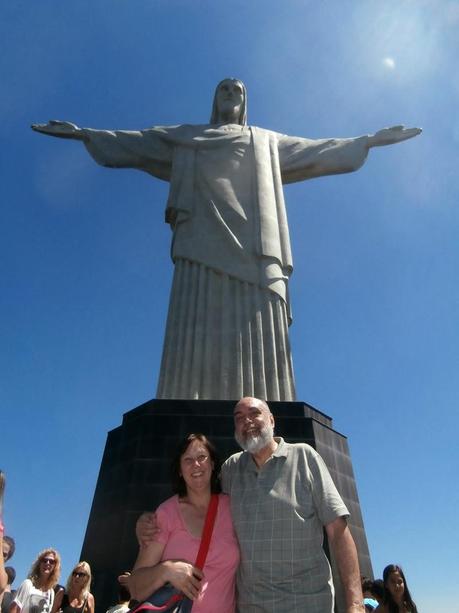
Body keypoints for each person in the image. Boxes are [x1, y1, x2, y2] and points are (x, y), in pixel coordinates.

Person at [31, 79, 421, 403]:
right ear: (215, 101)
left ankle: (268, 406)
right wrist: (85, 134)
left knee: (262, 320)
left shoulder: (265, 141)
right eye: (223, 89)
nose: (230, 93)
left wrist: (367, 141)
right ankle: (184, 399)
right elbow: (138, 143)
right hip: (200, 238)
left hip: (256, 245)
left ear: (245, 101)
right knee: (195, 314)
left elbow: (315, 150)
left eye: (237, 90)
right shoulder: (187, 137)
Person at [137, 397, 365, 612]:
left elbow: (338, 531)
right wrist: (146, 522)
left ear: (272, 421)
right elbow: (198, 494)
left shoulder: (305, 458)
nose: (247, 421)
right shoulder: (231, 469)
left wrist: (356, 603)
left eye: (254, 413)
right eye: (239, 417)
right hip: (252, 606)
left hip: (307, 603)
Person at [128, 434, 239, 613]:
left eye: (202, 457)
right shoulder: (166, 513)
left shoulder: (232, 507)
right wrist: (166, 571)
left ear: (212, 464)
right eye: (187, 459)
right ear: (180, 470)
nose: (196, 464)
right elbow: (135, 587)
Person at [11, 549, 61, 613]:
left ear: (55, 567)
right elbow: (13, 609)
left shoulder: (51, 593)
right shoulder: (27, 584)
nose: (47, 563)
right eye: (44, 560)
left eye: (51, 561)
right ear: (39, 564)